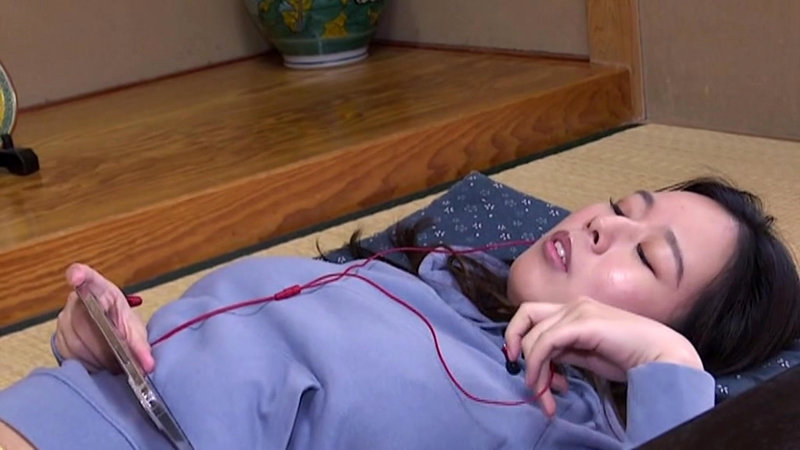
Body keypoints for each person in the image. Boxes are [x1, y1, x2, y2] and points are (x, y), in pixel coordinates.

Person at [1, 177, 798, 449]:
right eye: (622, 206)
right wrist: (100, 338)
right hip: (59, 405)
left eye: (648, 257)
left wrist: (668, 371)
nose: (602, 225)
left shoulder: (560, 417)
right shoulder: (434, 275)